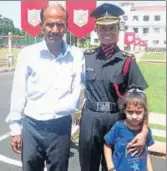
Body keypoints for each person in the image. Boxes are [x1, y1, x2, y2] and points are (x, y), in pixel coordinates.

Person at [6, 3, 83, 171]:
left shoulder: (77, 56)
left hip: (61, 127)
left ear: (66, 27)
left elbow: (78, 90)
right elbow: (18, 93)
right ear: (41, 26)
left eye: (60, 24)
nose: (55, 30)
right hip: (32, 126)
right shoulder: (28, 54)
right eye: (49, 24)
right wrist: (15, 129)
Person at [79, 3, 149, 171]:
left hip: (116, 120)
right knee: (87, 165)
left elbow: (141, 99)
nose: (107, 32)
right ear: (96, 30)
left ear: (118, 29)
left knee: (113, 166)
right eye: (103, 28)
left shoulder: (127, 61)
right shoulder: (86, 57)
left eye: (112, 28)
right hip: (90, 119)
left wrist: (144, 130)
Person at [104, 88, 154, 171]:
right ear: (124, 110)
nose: (134, 116)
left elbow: (146, 152)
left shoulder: (146, 131)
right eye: (130, 112)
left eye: (138, 112)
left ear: (144, 112)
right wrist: (110, 167)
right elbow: (107, 145)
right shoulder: (118, 127)